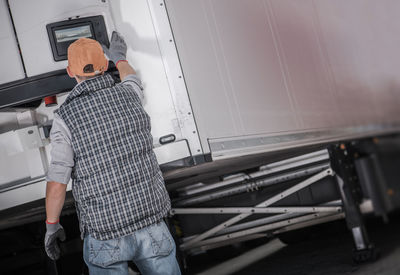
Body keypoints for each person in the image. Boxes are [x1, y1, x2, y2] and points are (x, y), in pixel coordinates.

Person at [44, 31, 181, 275]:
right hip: (151, 223)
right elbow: (130, 77)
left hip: (105, 233)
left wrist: (52, 226)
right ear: (104, 65)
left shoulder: (65, 119)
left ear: (70, 71)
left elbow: (57, 184)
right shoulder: (130, 95)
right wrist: (120, 57)